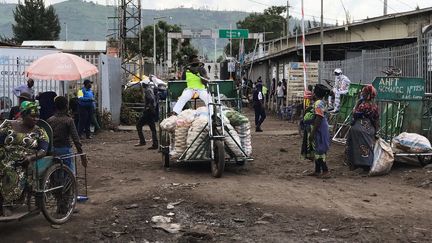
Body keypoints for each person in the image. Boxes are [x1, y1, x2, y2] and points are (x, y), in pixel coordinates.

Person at [0, 101, 49, 206]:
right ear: (23, 115)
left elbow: (43, 150)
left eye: (37, 116)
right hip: (4, 157)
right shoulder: (9, 125)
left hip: (23, 162)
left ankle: (9, 202)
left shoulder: (39, 131)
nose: (36, 119)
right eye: (32, 116)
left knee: (9, 170)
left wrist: (31, 157)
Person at [345, 85, 379, 171]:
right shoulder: (375, 106)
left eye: (363, 92)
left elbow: (355, 114)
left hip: (358, 127)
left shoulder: (362, 105)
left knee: (354, 146)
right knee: (367, 147)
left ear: (366, 94)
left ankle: (355, 164)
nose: (362, 93)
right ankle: (367, 164)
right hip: (369, 128)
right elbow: (376, 119)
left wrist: (357, 103)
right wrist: (375, 130)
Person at [48, 96, 83, 175]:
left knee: (56, 172)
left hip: (53, 150)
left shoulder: (50, 120)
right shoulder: (69, 120)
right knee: (70, 171)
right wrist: (81, 154)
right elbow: (76, 139)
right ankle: (70, 184)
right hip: (65, 149)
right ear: (67, 106)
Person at [301, 84, 331, 178]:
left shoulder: (318, 103)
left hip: (319, 129)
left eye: (313, 92)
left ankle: (325, 171)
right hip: (318, 127)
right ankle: (317, 171)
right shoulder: (319, 102)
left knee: (319, 150)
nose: (312, 93)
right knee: (316, 149)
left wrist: (313, 132)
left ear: (316, 93)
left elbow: (318, 118)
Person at [135, 80, 158, 149]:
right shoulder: (150, 89)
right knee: (153, 128)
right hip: (151, 111)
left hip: (148, 112)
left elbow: (151, 99)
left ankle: (143, 141)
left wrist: (148, 107)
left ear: (144, 85)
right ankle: (155, 144)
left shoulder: (147, 91)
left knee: (138, 125)